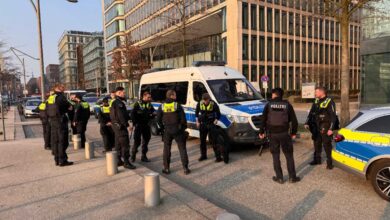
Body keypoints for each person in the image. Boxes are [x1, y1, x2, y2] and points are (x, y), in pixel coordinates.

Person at [259, 88, 300, 184]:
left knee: (275, 156)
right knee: (289, 156)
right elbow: (294, 121)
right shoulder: (287, 105)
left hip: (273, 134)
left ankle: (280, 177)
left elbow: (263, 119)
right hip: (285, 134)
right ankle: (292, 177)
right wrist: (293, 133)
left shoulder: (268, 105)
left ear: (274, 94)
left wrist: (261, 132)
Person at [157, 90, 190, 175]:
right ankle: (185, 168)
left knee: (167, 149)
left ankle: (166, 168)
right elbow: (183, 119)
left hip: (167, 130)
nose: (176, 97)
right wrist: (182, 128)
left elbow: (158, 119)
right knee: (182, 149)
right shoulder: (177, 105)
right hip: (177, 130)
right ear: (171, 96)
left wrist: (162, 128)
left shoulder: (162, 106)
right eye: (175, 95)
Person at [304, 87, 337, 170]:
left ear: (322, 93)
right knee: (316, 143)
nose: (315, 94)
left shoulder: (329, 101)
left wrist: (331, 129)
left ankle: (329, 163)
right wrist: (306, 122)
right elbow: (311, 113)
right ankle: (317, 160)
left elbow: (333, 116)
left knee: (327, 145)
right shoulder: (316, 100)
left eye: (316, 92)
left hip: (325, 126)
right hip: (316, 125)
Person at [46, 84, 73, 166]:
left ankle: (57, 160)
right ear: (58, 88)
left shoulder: (51, 97)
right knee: (63, 141)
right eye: (62, 87)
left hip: (52, 121)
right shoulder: (61, 97)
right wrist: (68, 108)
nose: (64, 89)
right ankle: (62, 160)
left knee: (55, 140)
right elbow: (69, 107)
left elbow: (47, 108)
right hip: (60, 121)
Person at [195, 93, 226, 163]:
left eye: (206, 100)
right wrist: (197, 121)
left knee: (214, 141)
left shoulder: (213, 104)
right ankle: (203, 155)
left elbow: (218, 114)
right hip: (202, 124)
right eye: (204, 100)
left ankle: (218, 157)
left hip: (211, 124)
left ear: (209, 99)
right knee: (202, 141)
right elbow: (196, 113)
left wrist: (216, 120)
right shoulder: (199, 103)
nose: (205, 102)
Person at [110, 87, 136, 169]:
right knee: (125, 145)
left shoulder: (116, 102)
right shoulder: (118, 103)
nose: (124, 94)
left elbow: (124, 114)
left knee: (118, 144)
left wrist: (129, 119)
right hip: (120, 127)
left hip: (117, 127)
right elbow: (121, 116)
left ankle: (118, 160)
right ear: (118, 93)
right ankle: (126, 162)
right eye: (123, 92)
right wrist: (127, 126)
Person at [130, 91, 155, 162]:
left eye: (150, 97)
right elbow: (132, 114)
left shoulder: (149, 104)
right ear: (144, 97)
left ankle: (143, 156)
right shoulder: (138, 103)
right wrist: (134, 123)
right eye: (148, 97)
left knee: (146, 141)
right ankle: (133, 156)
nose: (150, 98)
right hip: (139, 125)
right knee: (137, 142)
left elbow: (153, 112)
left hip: (146, 125)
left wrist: (152, 115)